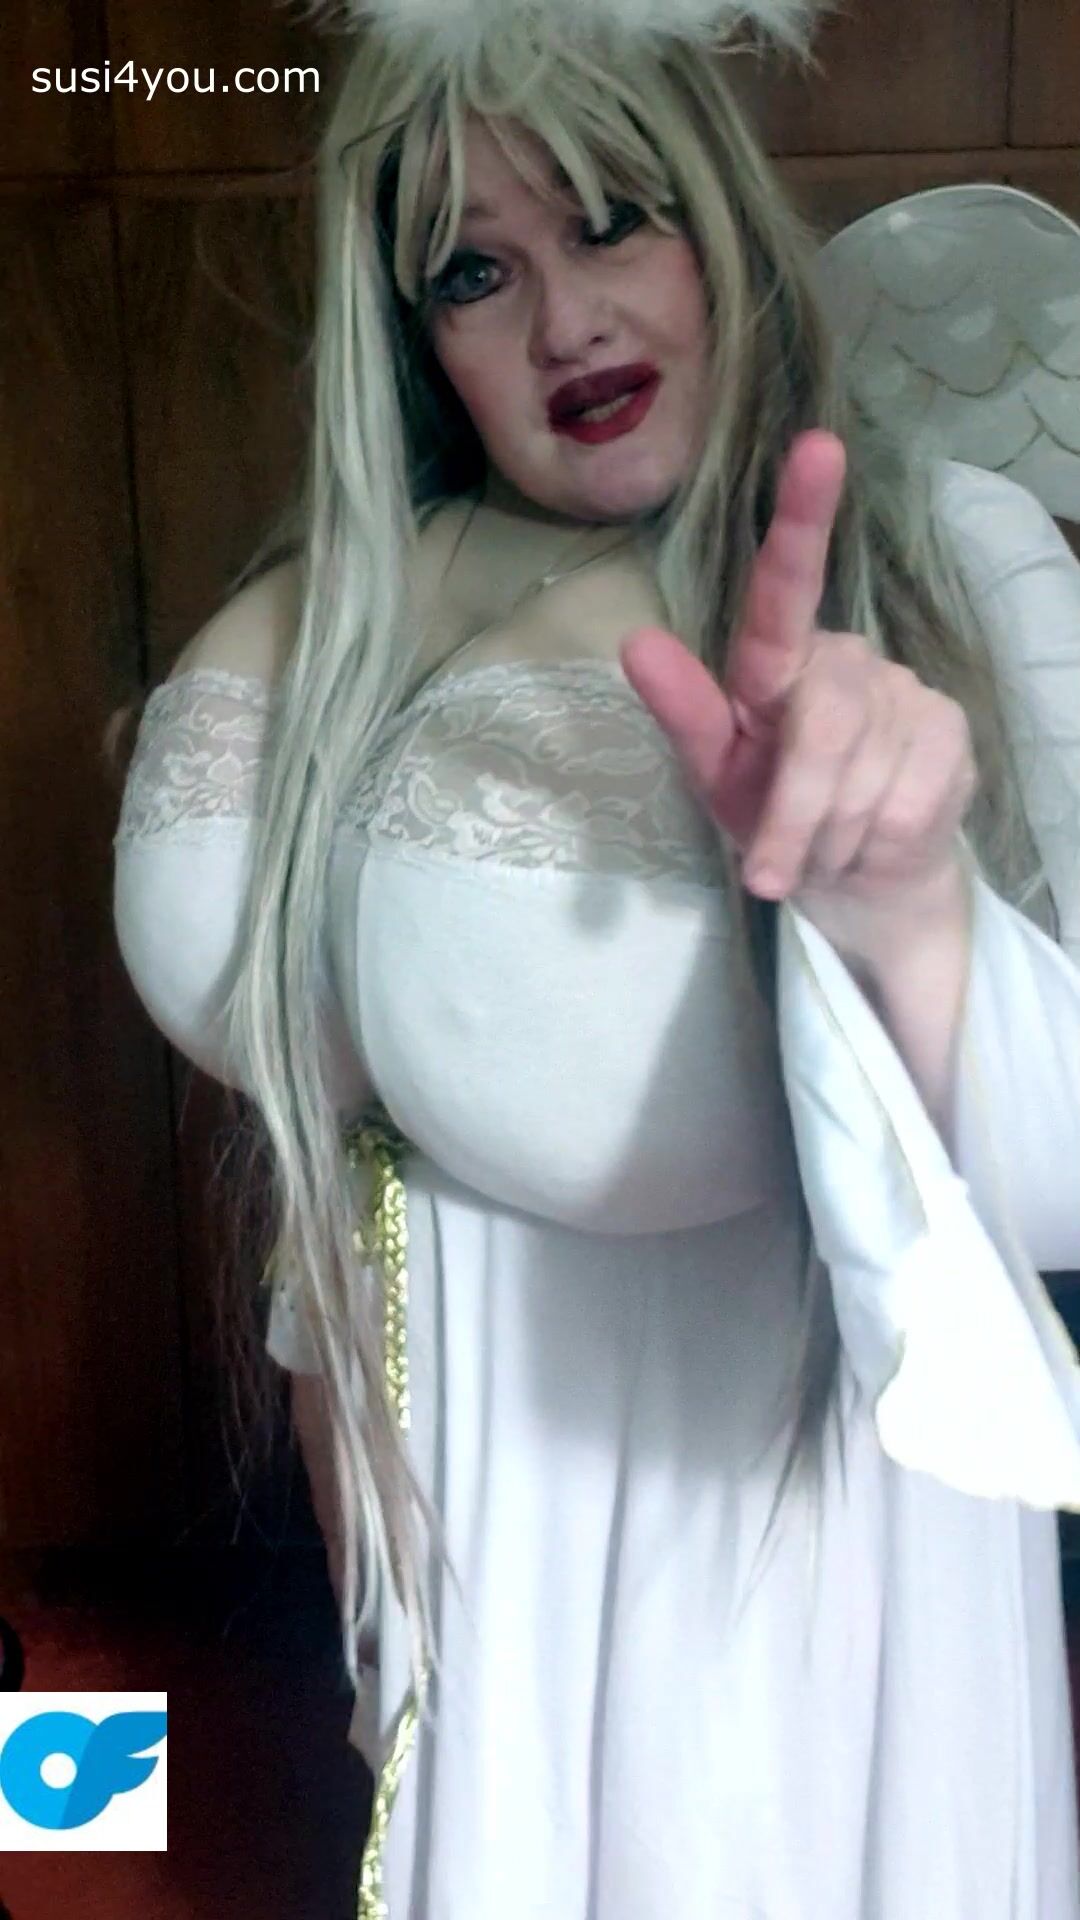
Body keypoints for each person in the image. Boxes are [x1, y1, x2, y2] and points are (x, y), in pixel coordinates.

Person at [108, 0, 1080, 1912]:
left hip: (844, 1572)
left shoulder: (955, 551)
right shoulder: (348, 616)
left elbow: (1057, 1185)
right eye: (475, 272)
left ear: (720, 218)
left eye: (615, 219)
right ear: (413, 336)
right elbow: (333, 1198)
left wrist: (900, 904)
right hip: (489, 1570)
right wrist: (384, 1622)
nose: (566, 322)